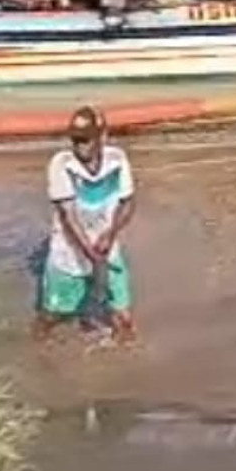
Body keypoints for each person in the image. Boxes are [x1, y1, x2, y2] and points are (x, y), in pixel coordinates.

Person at [32, 105, 138, 347]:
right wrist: (92, 256)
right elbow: (68, 216)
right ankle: (38, 345)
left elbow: (128, 203)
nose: (80, 146)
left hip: (106, 247)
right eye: (75, 140)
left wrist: (110, 236)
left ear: (102, 137)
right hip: (69, 254)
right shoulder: (61, 165)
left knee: (123, 317)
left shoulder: (117, 160)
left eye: (86, 140)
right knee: (54, 315)